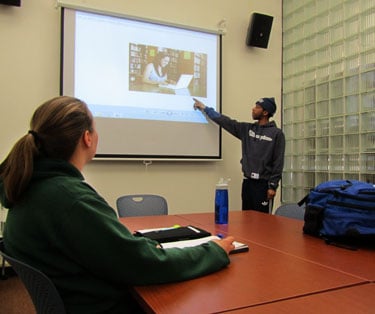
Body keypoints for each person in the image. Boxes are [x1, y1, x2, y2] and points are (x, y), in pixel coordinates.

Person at [0, 96, 235, 314]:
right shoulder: (69, 199)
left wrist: (134, 247)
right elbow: (143, 264)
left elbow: (119, 252)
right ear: (87, 137)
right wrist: (213, 251)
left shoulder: (32, 187)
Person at [193, 97, 285, 213]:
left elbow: (278, 161)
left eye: (257, 108)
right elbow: (226, 122)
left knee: (262, 222)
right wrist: (205, 108)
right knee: (246, 219)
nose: (253, 109)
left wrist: (273, 186)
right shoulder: (247, 129)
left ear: (265, 112)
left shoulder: (277, 134)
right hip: (247, 184)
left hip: (263, 185)